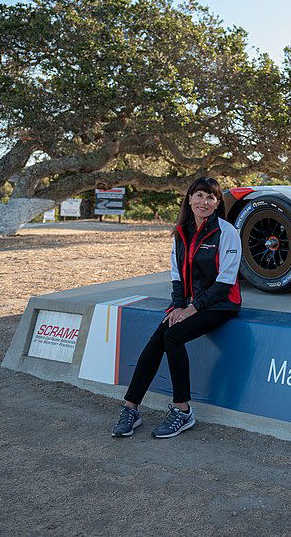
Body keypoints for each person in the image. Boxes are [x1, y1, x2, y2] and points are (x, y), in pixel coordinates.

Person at [111, 177, 242, 438]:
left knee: (173, 336)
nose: (204, 202)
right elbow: (176, 275)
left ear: (217, 204)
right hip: (191, 303)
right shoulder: (181, 232)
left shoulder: (227, 232)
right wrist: (178, 305)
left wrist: (192, 309)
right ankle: (131, 407)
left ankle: (182, 411)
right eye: (200, 195)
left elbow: (225, 281)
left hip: (222, 302)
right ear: (190, 199)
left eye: (211, 197)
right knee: (159, 336)